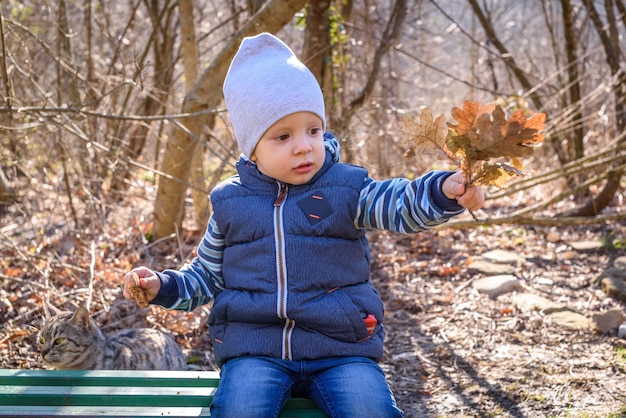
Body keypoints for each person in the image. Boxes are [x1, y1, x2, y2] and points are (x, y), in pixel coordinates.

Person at [123, 32, 484, 418]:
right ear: (251, 147)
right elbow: (205, 277)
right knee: (239, 409)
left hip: (341, 349)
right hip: (254, 350)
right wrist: (162, 286)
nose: (304, 146)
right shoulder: (230, 203)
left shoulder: (345, 189)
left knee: (370, 408)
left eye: (313, 130)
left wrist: (442, 191)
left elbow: (398, 204)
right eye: (283, 136)